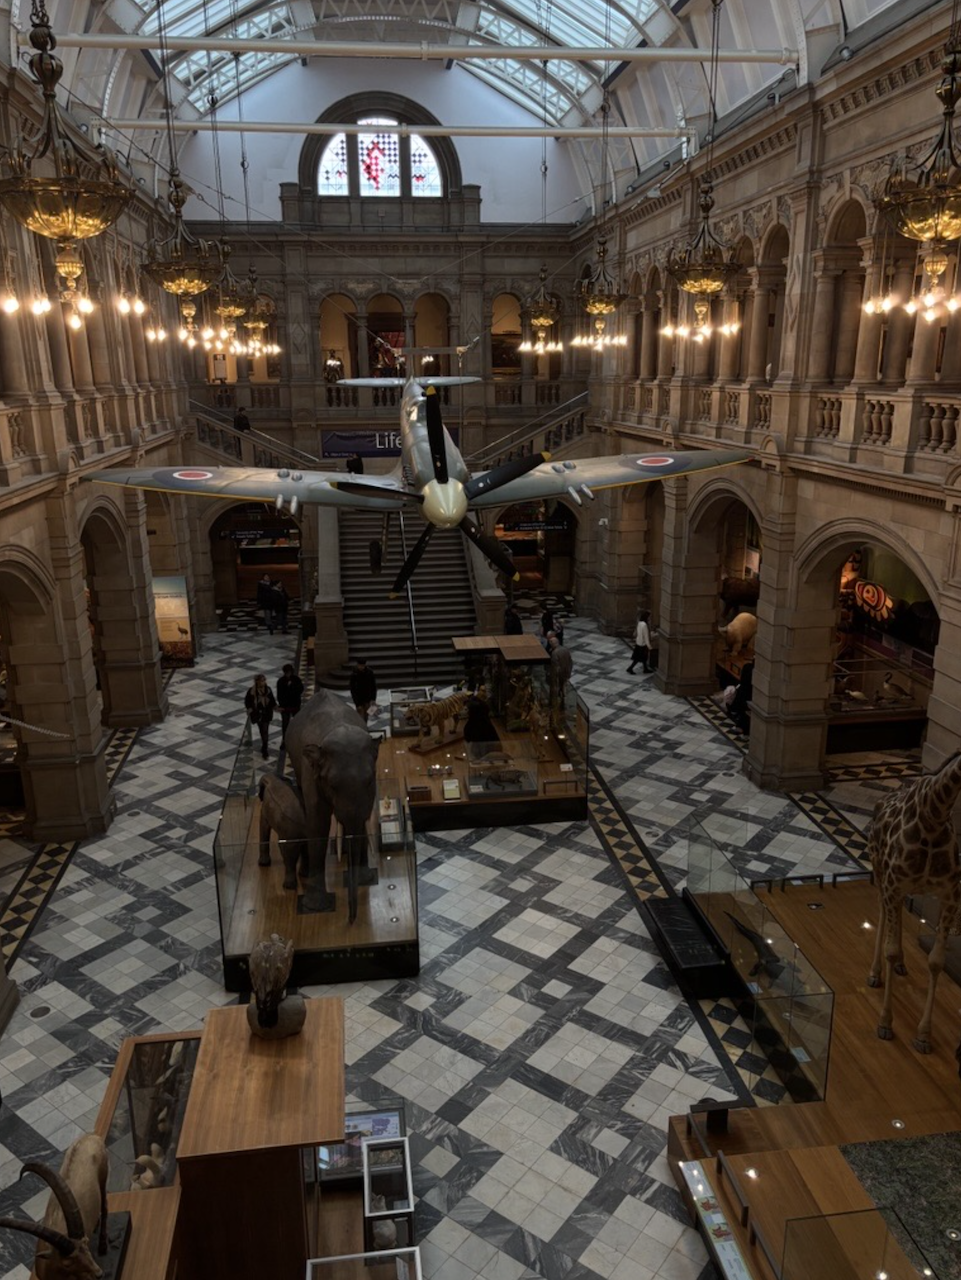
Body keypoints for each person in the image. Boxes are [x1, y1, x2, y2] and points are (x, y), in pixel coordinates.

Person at [245, 673, 276, 759]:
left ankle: (265, 748)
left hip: (266, 713)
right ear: (257, 681)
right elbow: (247, 701)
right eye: (261, 681)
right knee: (262, 730)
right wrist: (250, 708)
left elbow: (272, 700)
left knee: (265, 730)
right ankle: (264, 746)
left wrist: (275, 707)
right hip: (258, 714)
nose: (263, 682)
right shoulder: (252, 691)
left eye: (264, 680)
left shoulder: (268, 689)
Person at [276, 662, 304, 746]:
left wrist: (292, 687)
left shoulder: (296, 679)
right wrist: (282, 705)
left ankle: (297, 739)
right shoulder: (281, 681)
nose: (288, 674)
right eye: (286, 672)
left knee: (297, 722)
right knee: (285, 724)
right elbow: (280, 694)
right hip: (285, 706)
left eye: (289, 672)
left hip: (295, 704)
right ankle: (284, 740)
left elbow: (300, 690)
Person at [349, 657, 377, 723]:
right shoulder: (354, 674)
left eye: (362, 666)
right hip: (359, 699)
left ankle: (365, 726)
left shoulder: (369, 672)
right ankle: (362, 727)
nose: (361, 667)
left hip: (367, 698)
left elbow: (373, 686)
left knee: (366, 715)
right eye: (360, 665)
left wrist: (373, 699)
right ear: (357, 665)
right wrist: (357, 703)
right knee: (360, 717)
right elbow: (352, 689)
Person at [549, 633, 573, 707]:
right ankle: (563, 701)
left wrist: (553, 677)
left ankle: (556, 704)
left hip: (559, 675)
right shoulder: (566, 650)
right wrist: (569, 672)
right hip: (566, 673)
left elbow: (555, 667)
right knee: (563, 688)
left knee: (557, 689)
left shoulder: (554, 653)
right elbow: (570, 662)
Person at [628, 609, 653, 674]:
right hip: (642, 645)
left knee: (643, 658)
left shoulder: (640, 623)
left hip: (638, 643)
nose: (650, 619)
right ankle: (630, 668)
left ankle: (645, 669)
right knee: (638, 658)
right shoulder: (644, 625)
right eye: (649, 617)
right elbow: (646, 636)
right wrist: (649, 646)